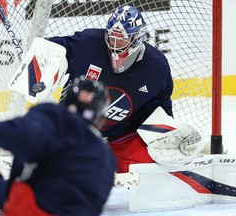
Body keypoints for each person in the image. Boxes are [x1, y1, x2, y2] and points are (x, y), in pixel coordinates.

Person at [0, 76, 116, 216]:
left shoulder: (57, 119)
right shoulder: (107, 158)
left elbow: (21, 136)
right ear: (100, 116)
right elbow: (60, 204)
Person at [48, 5, 174, 173]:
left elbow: (162, 105)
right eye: (111, 38)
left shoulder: (156, 66)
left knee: (150, 171)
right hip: (76, 131)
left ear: (136, 39)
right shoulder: (88, 43)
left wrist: (165, 137)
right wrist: (39, 57)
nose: (114, 45)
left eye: (121, 40)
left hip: (123, 137)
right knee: (62, 172)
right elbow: (55, 48)